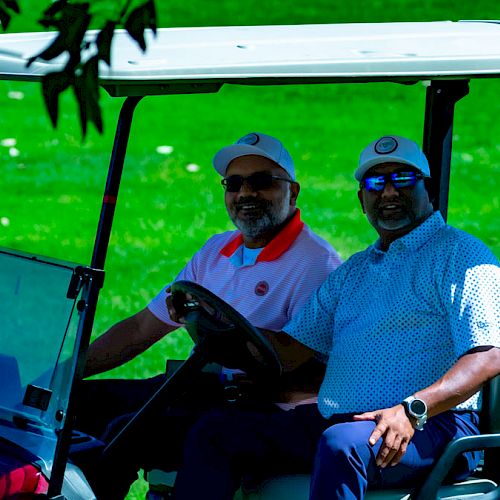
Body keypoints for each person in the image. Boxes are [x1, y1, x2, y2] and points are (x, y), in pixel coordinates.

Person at [173, 134, 500, 500]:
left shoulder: (461, 255)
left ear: (429, 189)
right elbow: (288, 350)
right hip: (346, 420)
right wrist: (216, 320)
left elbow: (488, 355)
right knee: (215, 431)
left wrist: (413, 409)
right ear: (362, 200)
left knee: (341, 444)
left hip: (432, 422)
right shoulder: (356, 270)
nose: (388, 192)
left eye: (403, 180)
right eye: (376, 183)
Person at [74, 132, 342, 499]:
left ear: (292, 192)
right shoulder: (217, 249)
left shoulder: (315, 264)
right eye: (234, 184)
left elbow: (301, 366)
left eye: (262, 182)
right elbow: (140, 328)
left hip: (266, 405)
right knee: (81, 402)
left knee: (129, 430)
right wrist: (66, 372)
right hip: (207, 386)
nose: (246, 193)